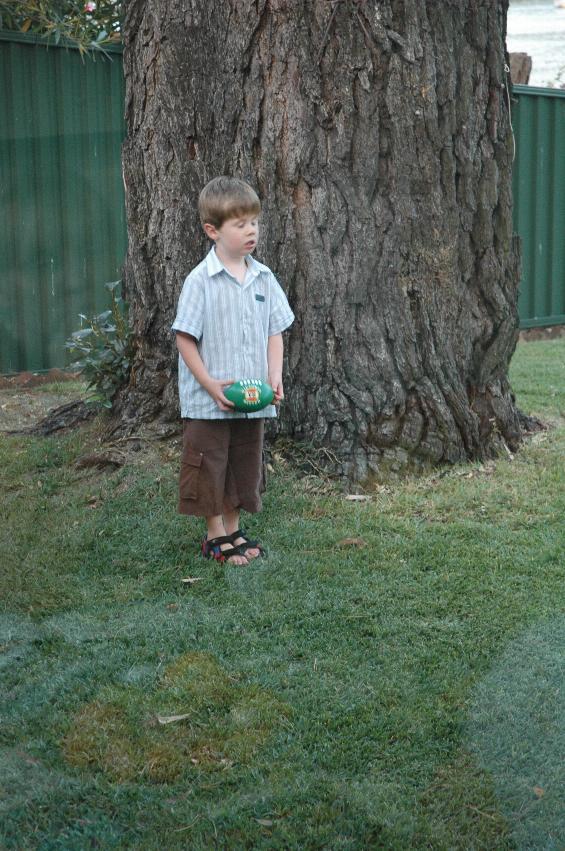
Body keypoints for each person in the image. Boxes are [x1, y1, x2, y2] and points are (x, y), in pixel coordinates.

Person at [172, 176, 295, 565]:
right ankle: (214, 536)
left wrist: (274, 375)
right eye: (240, 224)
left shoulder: (264, 278)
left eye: (254, 222)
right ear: (213, 230)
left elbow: (275, 330)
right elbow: (184, 338)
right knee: (211, 462)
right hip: (210, 401)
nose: (251, 231)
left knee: (243, 460)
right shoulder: (200, 281)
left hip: (253, 396)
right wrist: (208, 383)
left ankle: (234, 528)